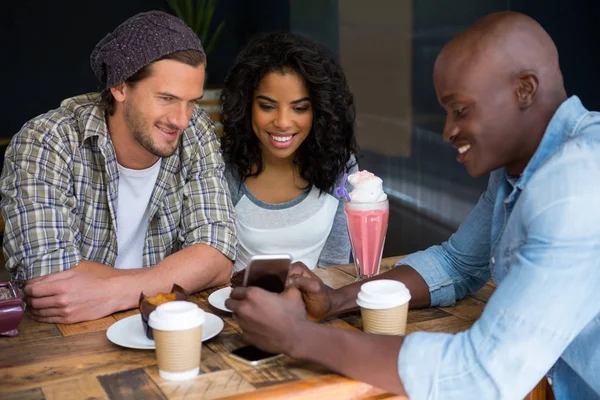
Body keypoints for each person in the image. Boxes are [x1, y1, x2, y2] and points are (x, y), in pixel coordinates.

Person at [225, 11, 600, 399]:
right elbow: (456, 264)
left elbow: (478, 375)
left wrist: (298, 337)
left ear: (524, 89)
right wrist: (335, 300)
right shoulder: (518, 172)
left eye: (461, 110)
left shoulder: (574, 184)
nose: (448, 130)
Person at [0, 11, 237, 324]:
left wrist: (118, 292)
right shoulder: (47, 141)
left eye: (191, 101)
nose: (182, 119)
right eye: (166, 98)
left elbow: (218, 256)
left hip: (167, 326)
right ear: (120, 87)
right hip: (72, 341)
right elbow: (49, 280)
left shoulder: (196, 133)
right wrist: (174, 277)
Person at [219, 32, 358, 273]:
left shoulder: (340, 165)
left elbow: (336, 269)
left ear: (320, 110)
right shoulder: (224, 168)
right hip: (234, 304)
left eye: (300, 108)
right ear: (246, 105)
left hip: (315, 306)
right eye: (267, 106)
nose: (283, 122)